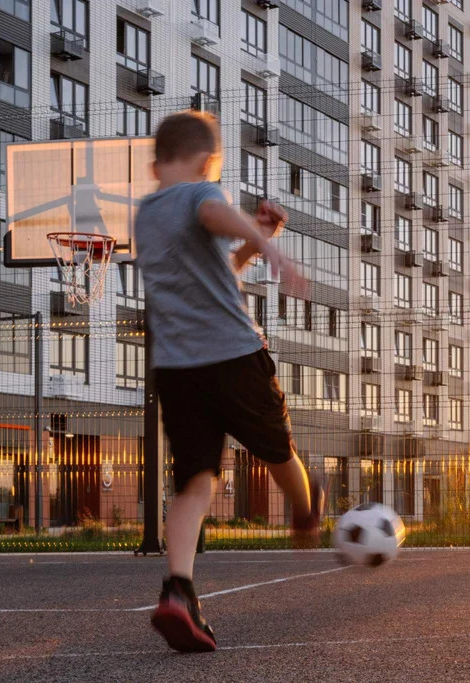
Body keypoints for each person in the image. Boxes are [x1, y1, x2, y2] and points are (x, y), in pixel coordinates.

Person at [135, 111, 322, 653]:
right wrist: (274, 250)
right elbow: (215, 211)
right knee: (276, 449)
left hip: (176, 369)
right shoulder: (200, 193)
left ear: (155, 164)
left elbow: (215, 270)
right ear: (205, 162)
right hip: (234, 355)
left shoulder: (147, 215)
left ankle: (178, 592)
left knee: (195, 483)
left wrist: (255, 238)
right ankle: (306, 510)